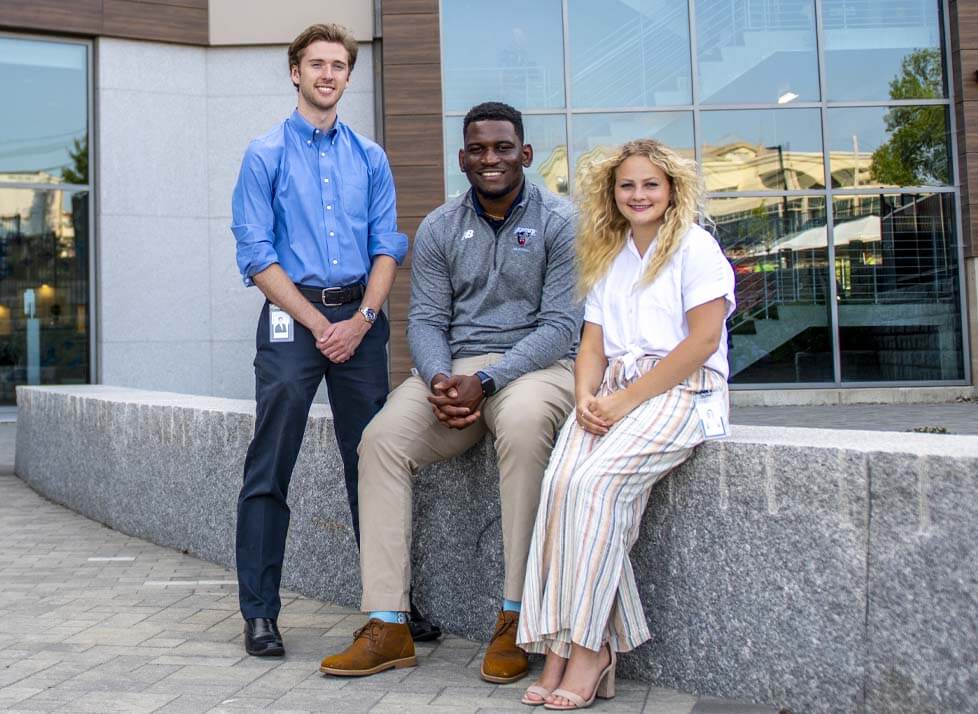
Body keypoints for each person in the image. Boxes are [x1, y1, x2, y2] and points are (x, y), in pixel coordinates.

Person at [319, 102, 582, 682]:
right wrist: (439, 379)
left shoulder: (563, 221)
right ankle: (388, 623)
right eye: (479, 149)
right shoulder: (439, 227)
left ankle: (516, 616)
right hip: (453, 371)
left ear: (526, 154)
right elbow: (426, 321)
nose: (491, 159)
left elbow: (562, 327)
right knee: (382, 439)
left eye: (503, 148)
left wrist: (487, 381)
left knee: (519, 424)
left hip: (537, 368)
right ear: (461, 157)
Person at [516, 139, 735, 710]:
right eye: (627, 186)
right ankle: (561, 644)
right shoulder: (609, 253)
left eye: (650, 185)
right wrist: (587, 396)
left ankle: (587, 650)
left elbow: (704, 342)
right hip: (612, 392)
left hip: (681, 391)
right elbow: (592, 343)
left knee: (594, 487)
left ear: (672, 191)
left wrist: (623, 402)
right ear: (611, 195)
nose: (638, 195)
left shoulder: (695, 247)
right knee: (560, 487)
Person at [230, 23, 408, 657]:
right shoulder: (265, 153)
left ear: (348, 76)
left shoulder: (371, 157)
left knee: (376, 462)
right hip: (293, 321)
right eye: (316, 64)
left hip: (360, 319)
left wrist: (360, 319)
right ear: (295, 72)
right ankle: (259, 612)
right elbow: (256, 253)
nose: (328, 74)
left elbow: (388, 245)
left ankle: (392, 610)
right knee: (271, 462)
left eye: (339, 65)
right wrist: (317, 324)